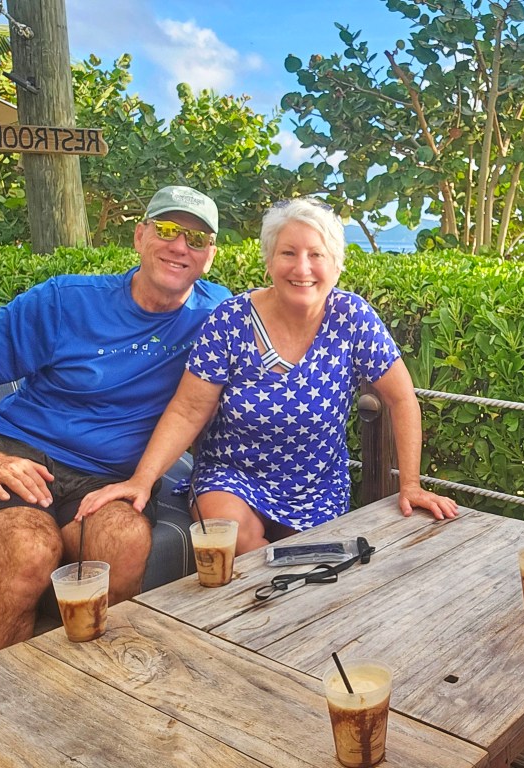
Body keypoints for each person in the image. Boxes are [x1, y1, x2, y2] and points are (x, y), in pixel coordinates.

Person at [80, 197, 457, 555]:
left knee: (308, 558)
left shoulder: (352, 317)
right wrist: (140, 482)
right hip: (231, 476)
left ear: (337, 265)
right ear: (269, 261)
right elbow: (187, 410)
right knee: (237, 539)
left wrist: (411, 485)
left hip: (316, 484)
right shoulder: (230, 319)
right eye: (288, 253)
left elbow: (401, 397)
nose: (302, 268)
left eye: (316, 255)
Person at [0, 185, 231, 668]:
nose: (180, 246)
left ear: (209, 257)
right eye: (167, 230)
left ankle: (84, 691)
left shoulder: (217, 316)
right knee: (27, 550)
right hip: (20, 453)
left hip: (107, 476)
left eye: (197, 239)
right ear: (140, 236)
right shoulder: (66, 300)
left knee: (123, 543)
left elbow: (291, 312)